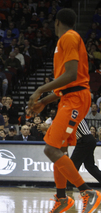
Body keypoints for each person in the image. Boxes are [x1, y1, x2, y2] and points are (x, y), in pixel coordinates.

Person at [28, 9, 101, 212]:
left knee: (50, 149)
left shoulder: (69, 37)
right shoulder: (65, 41)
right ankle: (62, 198)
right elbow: (67, 84)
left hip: (76, 99)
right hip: (68, 97)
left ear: (57, 22)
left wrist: (40, 89)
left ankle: (88, 192)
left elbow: (70, 76)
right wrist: (44, 101)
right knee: (59, 150)